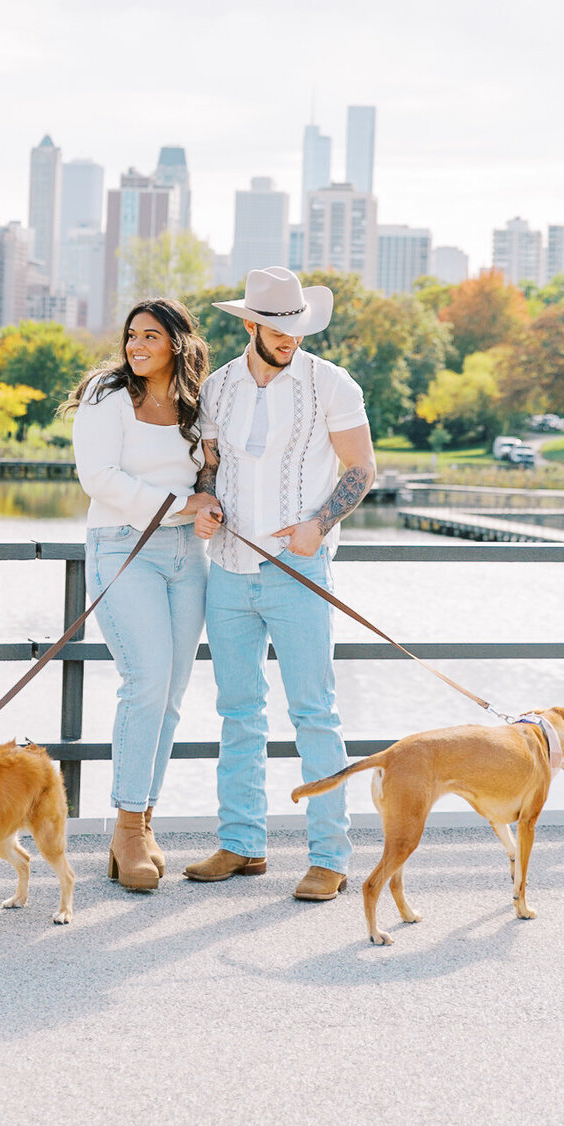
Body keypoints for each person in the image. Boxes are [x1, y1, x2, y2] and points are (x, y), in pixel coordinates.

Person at [184, 266, 375, 901]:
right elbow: (209, 467)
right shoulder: (217, 388)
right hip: (230, 575)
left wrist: (320, 523)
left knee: (314, 714)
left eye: (295, 326)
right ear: (250, 326)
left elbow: (362, 468)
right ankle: (242, 844)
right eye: (275, 327)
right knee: (238, 713)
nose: (288, 337)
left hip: (299, 572)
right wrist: (206, 503)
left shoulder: (332, 384)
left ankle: (330, 857)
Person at [68, 299, 220, 891]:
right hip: (122, 546)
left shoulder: (193, 403)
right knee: (146, 682)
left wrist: (206, 504)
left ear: (177, 344)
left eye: (150, 336)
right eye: (132, 335)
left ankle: (146, 821)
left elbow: (205, 473)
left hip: (187, 555)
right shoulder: (108, 394)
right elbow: (98, 477)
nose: (136, 345)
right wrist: (184, 506)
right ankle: (126, 829)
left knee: (174, 694)